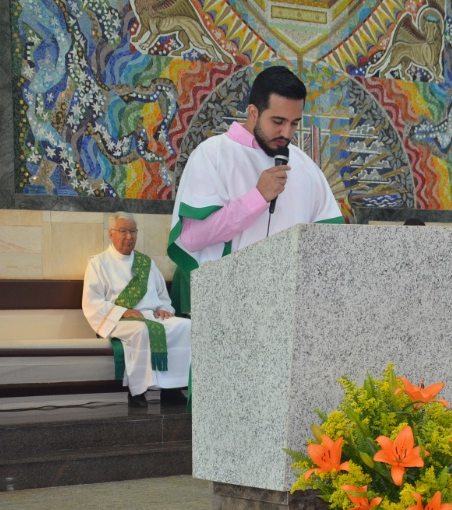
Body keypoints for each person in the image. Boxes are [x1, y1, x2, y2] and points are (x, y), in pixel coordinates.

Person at [167, 65, 345, 314]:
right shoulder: (213, 154)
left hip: (287, 310)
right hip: (227, 307)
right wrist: (257, 198)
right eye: (278, 121)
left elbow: (331, 244)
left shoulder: (306, 167)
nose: (287, 133)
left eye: (294, 123)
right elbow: (192, 238)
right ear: (253, 112)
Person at [82, 212, 190, 408]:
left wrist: (162, 309)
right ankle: (138, 391)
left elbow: (162, 296)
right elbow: (93, 301)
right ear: (111, 234)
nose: (129, 237)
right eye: (123, 231)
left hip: (152, 317)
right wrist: (123, 312)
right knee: (141, 330)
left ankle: (172, 389)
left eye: (132, 231)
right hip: (117, 320)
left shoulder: (146, 264)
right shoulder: (98, 263)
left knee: (185, 326)